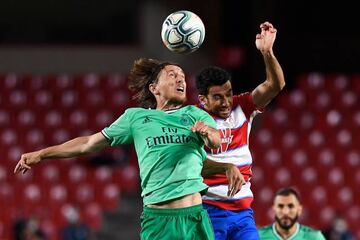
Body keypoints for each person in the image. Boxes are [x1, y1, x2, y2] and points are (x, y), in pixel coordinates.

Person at [14, 58, 221, 240]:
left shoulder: (195, 114)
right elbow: (88, 144)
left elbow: (216, 141)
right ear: (154, 88)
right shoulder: (135, 118)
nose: (180, 80)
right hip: (159, 221)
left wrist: (207, 132)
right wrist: (42, 154)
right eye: (172, 75)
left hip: (194, 217)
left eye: (183, 76)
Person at [195, 21, 285, 240]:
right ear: (203, 100)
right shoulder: (191, 118)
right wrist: (225, 167)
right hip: (208, 212)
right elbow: (190, 164)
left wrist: (267, 53)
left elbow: (276, 85)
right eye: (217, 97)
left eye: (228, 93)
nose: (226, 102)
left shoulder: (242, 106)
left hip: (243, 214)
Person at [258, 187, 326, 240]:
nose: (285, 212)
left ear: (299, 210)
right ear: (274, 210)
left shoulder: (314, 238)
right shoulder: (258, 236)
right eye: (280, 206)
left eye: (291, 206)